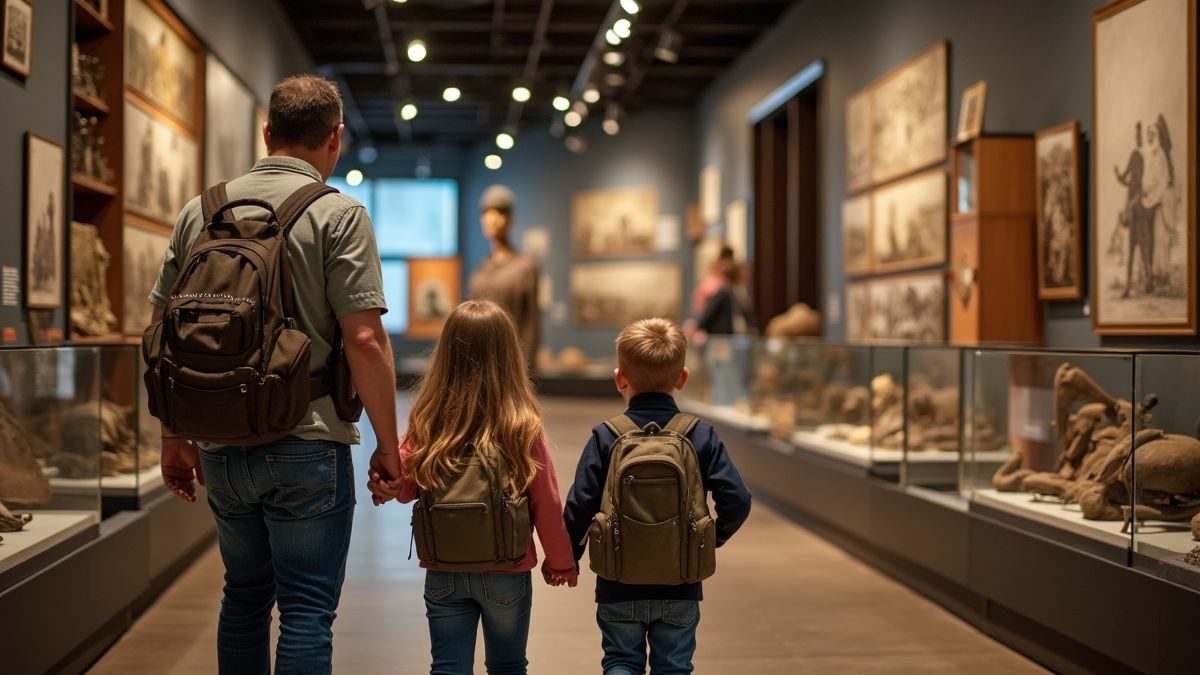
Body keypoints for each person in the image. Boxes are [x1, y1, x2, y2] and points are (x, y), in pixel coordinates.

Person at [148, 75, 399, 674]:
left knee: (243, 597)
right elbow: (364, 339)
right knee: (308, 609)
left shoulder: (199, 211)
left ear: (267, 133)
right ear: (335, 139)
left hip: (222, 443)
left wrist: (172, 437)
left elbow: (159, 335)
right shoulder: (338, 215)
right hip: (308, 442)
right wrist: (390, 448)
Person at [368, 300, 578, 675]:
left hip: (444, 569)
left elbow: (405, 486)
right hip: (507, 571)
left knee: (447, 667)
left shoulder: (430, 421)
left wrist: (386, 485)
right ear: (509, 355)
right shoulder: (521, 424)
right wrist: (561, 561)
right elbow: (545, 502)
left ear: (446, 353)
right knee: (508, 665)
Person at [563, 318, 752, 675]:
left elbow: (579, 505)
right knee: (675, 666)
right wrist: (711, 539)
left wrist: (567, 558)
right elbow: (738, 500)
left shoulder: (606, 437)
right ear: (682, 378)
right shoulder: (700, 435)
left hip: (618, 583)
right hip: (681, 581)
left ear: (620, 377)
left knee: (620, 661)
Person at [468, 185, 540, 370]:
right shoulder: (479, 272)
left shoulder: (525, 268)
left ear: (510, 220)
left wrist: (525, 372)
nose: (492, 219)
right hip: (479, 364)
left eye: (499, 213)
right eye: (487, 213)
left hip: (511, 365)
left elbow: (531, 326)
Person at [696, 261, 756, 406]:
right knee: (722, 374)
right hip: (722, 341)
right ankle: (722, 403)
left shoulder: (736, 291)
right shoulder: (723, 292)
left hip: (733, 340)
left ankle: (729, 403)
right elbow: (708, 315)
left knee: (730, 374)